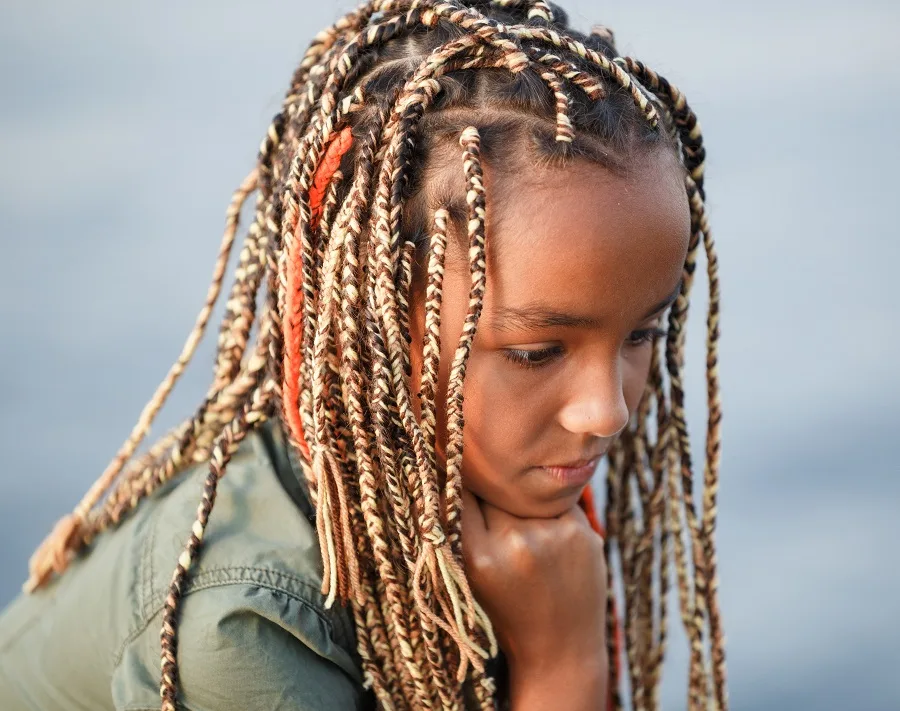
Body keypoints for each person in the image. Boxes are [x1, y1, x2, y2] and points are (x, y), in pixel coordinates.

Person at [0, 1, 727, 709]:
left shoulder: (488, 509)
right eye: (538, 352)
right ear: (372, 315)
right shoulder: (245, 630)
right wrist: (562, 664)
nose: (608, 409)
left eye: (642, 334)